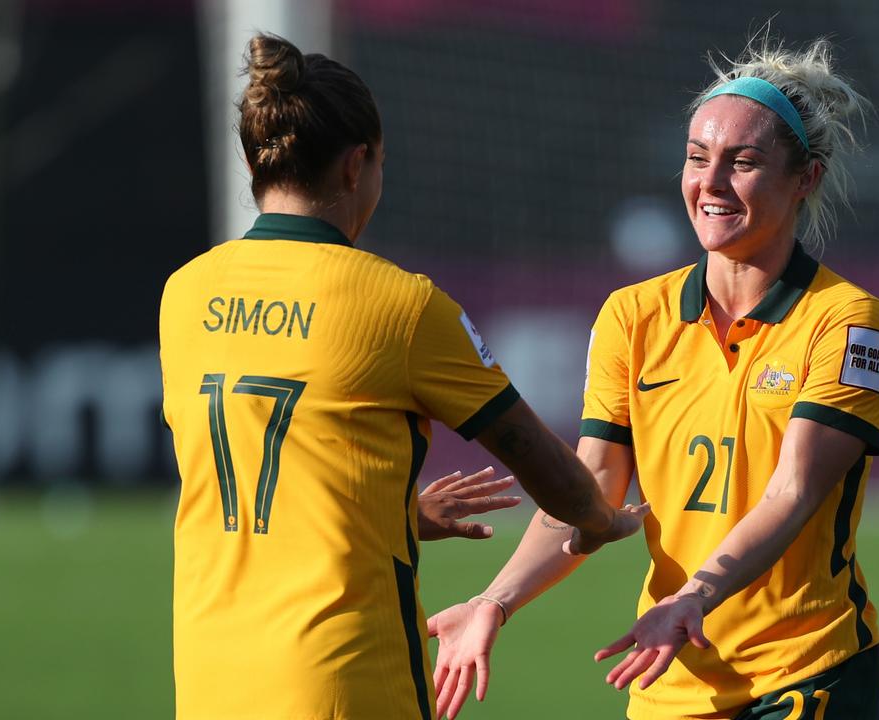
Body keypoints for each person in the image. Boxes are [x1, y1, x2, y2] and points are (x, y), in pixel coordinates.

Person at [159, 34, 647, 720]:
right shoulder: (401, 305)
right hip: (343, 680)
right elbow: (553, 474)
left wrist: (399, 515)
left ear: (250, 161)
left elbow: (254, 488)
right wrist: (601, 520)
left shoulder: (184, 294)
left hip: (210, 679)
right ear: (357, 164)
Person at [430, 34, 879, 720]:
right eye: (697, 158)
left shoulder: (849, 321)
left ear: (807, 179)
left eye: (743, 163)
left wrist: (696, 596)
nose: (710, 183)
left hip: (807, 672)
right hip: (670, 674)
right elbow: (588, 492)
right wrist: (493, 602)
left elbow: (792, 492)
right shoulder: (631, 316)